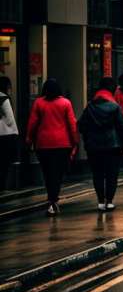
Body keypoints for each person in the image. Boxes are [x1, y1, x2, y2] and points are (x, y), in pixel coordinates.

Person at [26, 78, 78, 215]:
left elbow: (32, 123)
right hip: (62, 143)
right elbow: (72, 125)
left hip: (43, 144)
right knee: (58, 173)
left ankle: (51, 199)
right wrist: (75, 142)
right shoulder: (66, 103)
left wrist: (29, 139)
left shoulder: (39, 103)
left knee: (48, 173)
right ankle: (53, 199)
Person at [79, 77, 123, 211]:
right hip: (113, 146)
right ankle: (109, 201)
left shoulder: (90, 107)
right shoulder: (115, 107)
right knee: (111, 175)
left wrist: (88, 140)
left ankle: (100, 201)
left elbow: (81, 126)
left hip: (94, 147)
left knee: (97, 174)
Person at [0, 76, 18, 191]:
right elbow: (10, 119)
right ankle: (2, 186)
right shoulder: (4, 98)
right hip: (6, 135)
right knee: (4, 163)